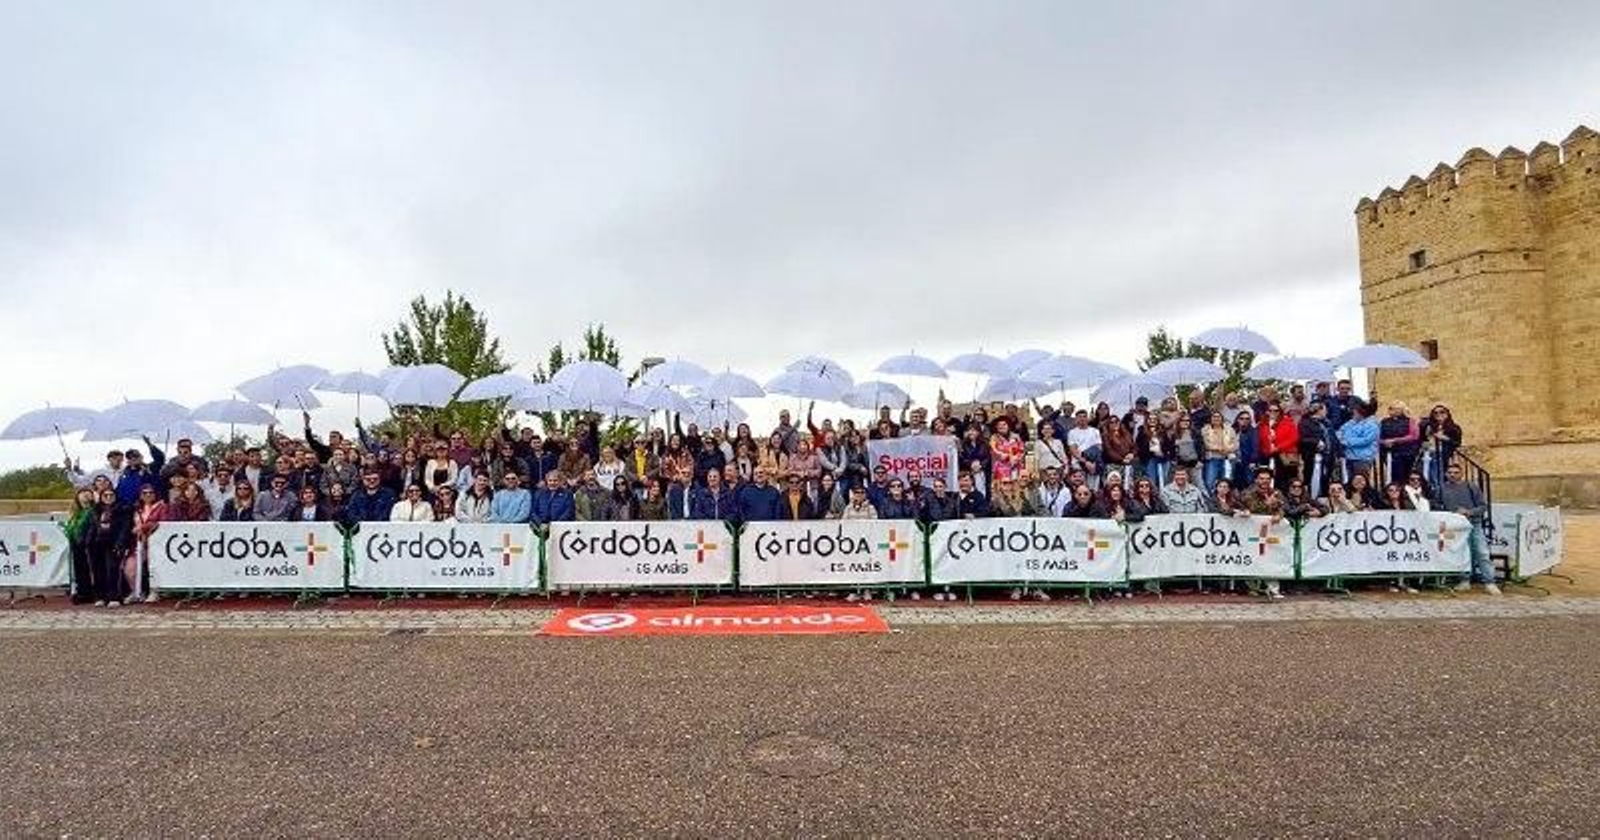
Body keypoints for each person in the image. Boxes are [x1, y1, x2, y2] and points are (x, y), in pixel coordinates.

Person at [1439, 460, 1499, 595]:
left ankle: (1490, 582)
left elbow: (1483, 506)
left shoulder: (1471, 486)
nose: (1452, 475)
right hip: (1454, 526)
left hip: (1473, 523)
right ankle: (1465, 580)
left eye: (1456, 472)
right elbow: (1438, 505)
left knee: (1482, 551)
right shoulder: (1443, 488)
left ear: (1462, 473)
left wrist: (1469, 512)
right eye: (1450, 473)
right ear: (1446, 474)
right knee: (1461, 553)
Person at [86, 487, 132, 607]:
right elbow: (92, 527)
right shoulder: (96, 510)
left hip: (114, 542)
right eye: (105, 495)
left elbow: (125, 528)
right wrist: (88, 542)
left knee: (113, 569)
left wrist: (120, 543)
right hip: (97, 543)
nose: (108, 497)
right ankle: (100, 596)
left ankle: (114, 596)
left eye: (111, 495)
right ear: (101, 497)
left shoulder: (123, 509)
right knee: (98, 570)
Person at [63, 488, 97, 605]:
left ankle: (92, 592)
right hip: (77, 544)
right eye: (82, 494)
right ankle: (82, 591)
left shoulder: (94, 511)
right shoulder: (75, 513)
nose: (85, 496)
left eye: (88, 494)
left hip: (90, 544)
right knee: (79, 569)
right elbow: (70, 529)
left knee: (90, 569)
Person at [1418, 404, 1463, 489]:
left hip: (1444, 454)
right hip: (1428, 454)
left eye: (1442, 412)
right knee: (1429, 475)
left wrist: (1445, 438)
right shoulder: (1428, 426)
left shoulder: (1453, 427)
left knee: (1441, 475)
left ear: (1447, 414)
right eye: (1436, 413)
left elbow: (1457, 443)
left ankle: (1442, 493)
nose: (1439, 414)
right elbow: (1421, 439)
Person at [1257, 404, 1301, 490]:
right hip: (1267, 454)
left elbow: (1294, 438)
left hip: (1285, 454)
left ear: (1280, 412)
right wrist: (1266, 450)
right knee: (1267, 478)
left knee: (1284, 479)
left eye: (1276, 410)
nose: (1273, 412)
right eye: (1270, 410)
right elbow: (1260, 439)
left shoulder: (1288, 422)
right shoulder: (1263, 423)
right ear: (1267, 412)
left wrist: (1279, 447)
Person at [1378, 401, 1421, 483]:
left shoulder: (1410, 421)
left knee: (1407, 475)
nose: (1391, 410)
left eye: (1394, 409)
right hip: (1390, 453)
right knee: (1394, 475)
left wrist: (1395, 440)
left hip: (1407, 452)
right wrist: (1384, 442)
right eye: (1390, 408)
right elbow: (1378, 436)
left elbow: (1414, 436)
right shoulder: (1384, 421)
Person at [1338, 401, 1380, 483]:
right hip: (1349, 457)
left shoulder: (1371, 425)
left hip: (1362, 458)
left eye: (1355, 411)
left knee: (1361, 482)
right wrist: (1339, 438)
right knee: (1350, 482)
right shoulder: (1351, 423)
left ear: (1361, 413)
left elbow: (1366, 440)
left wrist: (1347, 442)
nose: (1353, 413)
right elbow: (1341, 430)